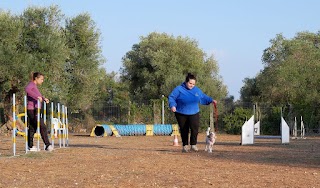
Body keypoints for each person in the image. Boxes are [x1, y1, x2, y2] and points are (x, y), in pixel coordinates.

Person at [168, 73, 217, 152]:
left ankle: (193, 145)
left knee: (195, 129)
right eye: (190, 83)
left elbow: (203, 97)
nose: (192, 85)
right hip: (181, 112)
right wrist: (172, 105)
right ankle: (185, 146)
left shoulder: (197, 90)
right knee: (184, 129)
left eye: (193, 84)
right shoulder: (179, 89)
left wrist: (211, 100)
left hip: (194, 112)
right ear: (186, 82)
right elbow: (172, 97)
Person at [25, 72, 53, 151]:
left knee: (32, 128)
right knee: (42, 126)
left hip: (36, 109)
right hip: (32, 109)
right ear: (36, 79)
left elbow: (39, 95)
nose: (42, 81)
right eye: (41, 79)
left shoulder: (35, 86)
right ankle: (47, 145)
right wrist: (37, 97)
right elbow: (27, 90)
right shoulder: (31, 84)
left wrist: (44, 98)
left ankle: (30, 146)